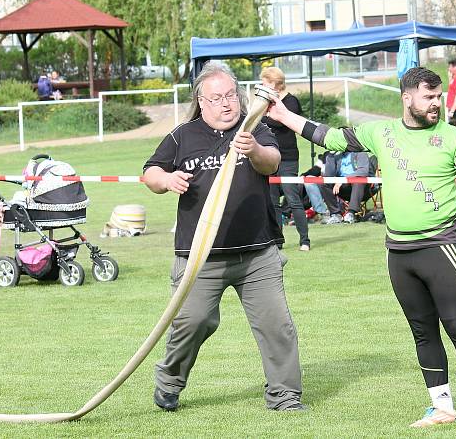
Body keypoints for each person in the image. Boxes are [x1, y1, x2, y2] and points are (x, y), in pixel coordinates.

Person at [266, 67, 456, 432]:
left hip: (441, 248)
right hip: (399, 251)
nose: (436, 104)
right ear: (407, 97)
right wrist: (283, 115)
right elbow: (329, 137)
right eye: (429, 97)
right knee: (423, 332)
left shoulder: (454, 138)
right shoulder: (382, 132)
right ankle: (441, 407)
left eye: (438, 96)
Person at [142, 62, 304, 412]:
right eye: (217, 98)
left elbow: (272, 161)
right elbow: (150, 172)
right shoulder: (182, 136)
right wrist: (166, 180)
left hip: (258, 253)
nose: (227, 103)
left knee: (277, 326)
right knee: (193, 321)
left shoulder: (253, 128)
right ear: (202, 102)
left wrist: (254, 151)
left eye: (231, 95)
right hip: (200, 257)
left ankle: (285, 396)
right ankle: (169, 382)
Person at [261, 67, 311, 251]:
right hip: (270, 156)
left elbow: (281, 122)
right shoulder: (266, 102)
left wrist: (264, 117)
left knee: (293, 199)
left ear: (274, 82)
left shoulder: (291, 101)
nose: (262, 85)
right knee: (273, 201)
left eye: (265, 82)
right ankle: (277, 241)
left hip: (288, 157)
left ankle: (304, 240)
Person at [319, 151, 371, 224]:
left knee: (358, 180)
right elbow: (328, 175)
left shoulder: (360, 153)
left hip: (360, 189)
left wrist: (344, 180)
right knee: (324, 182)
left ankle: (351, 213)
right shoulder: (336, 156)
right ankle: (336, 214)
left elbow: (363, 171)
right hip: (341, 188)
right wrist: (330, 155)